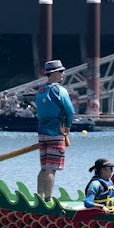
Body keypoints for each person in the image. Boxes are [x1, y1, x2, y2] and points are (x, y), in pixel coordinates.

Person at [34, 59, 76, 200]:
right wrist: (68, 127)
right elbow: (70, 111)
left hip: (42, 132)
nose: (63, 73)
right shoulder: (59, 90)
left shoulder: (40, 91)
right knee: (52, 168)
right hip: (56, 132)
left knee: (44, 167)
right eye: (61, 71)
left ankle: (39, 197)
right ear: (53, 73)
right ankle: (48, 199)